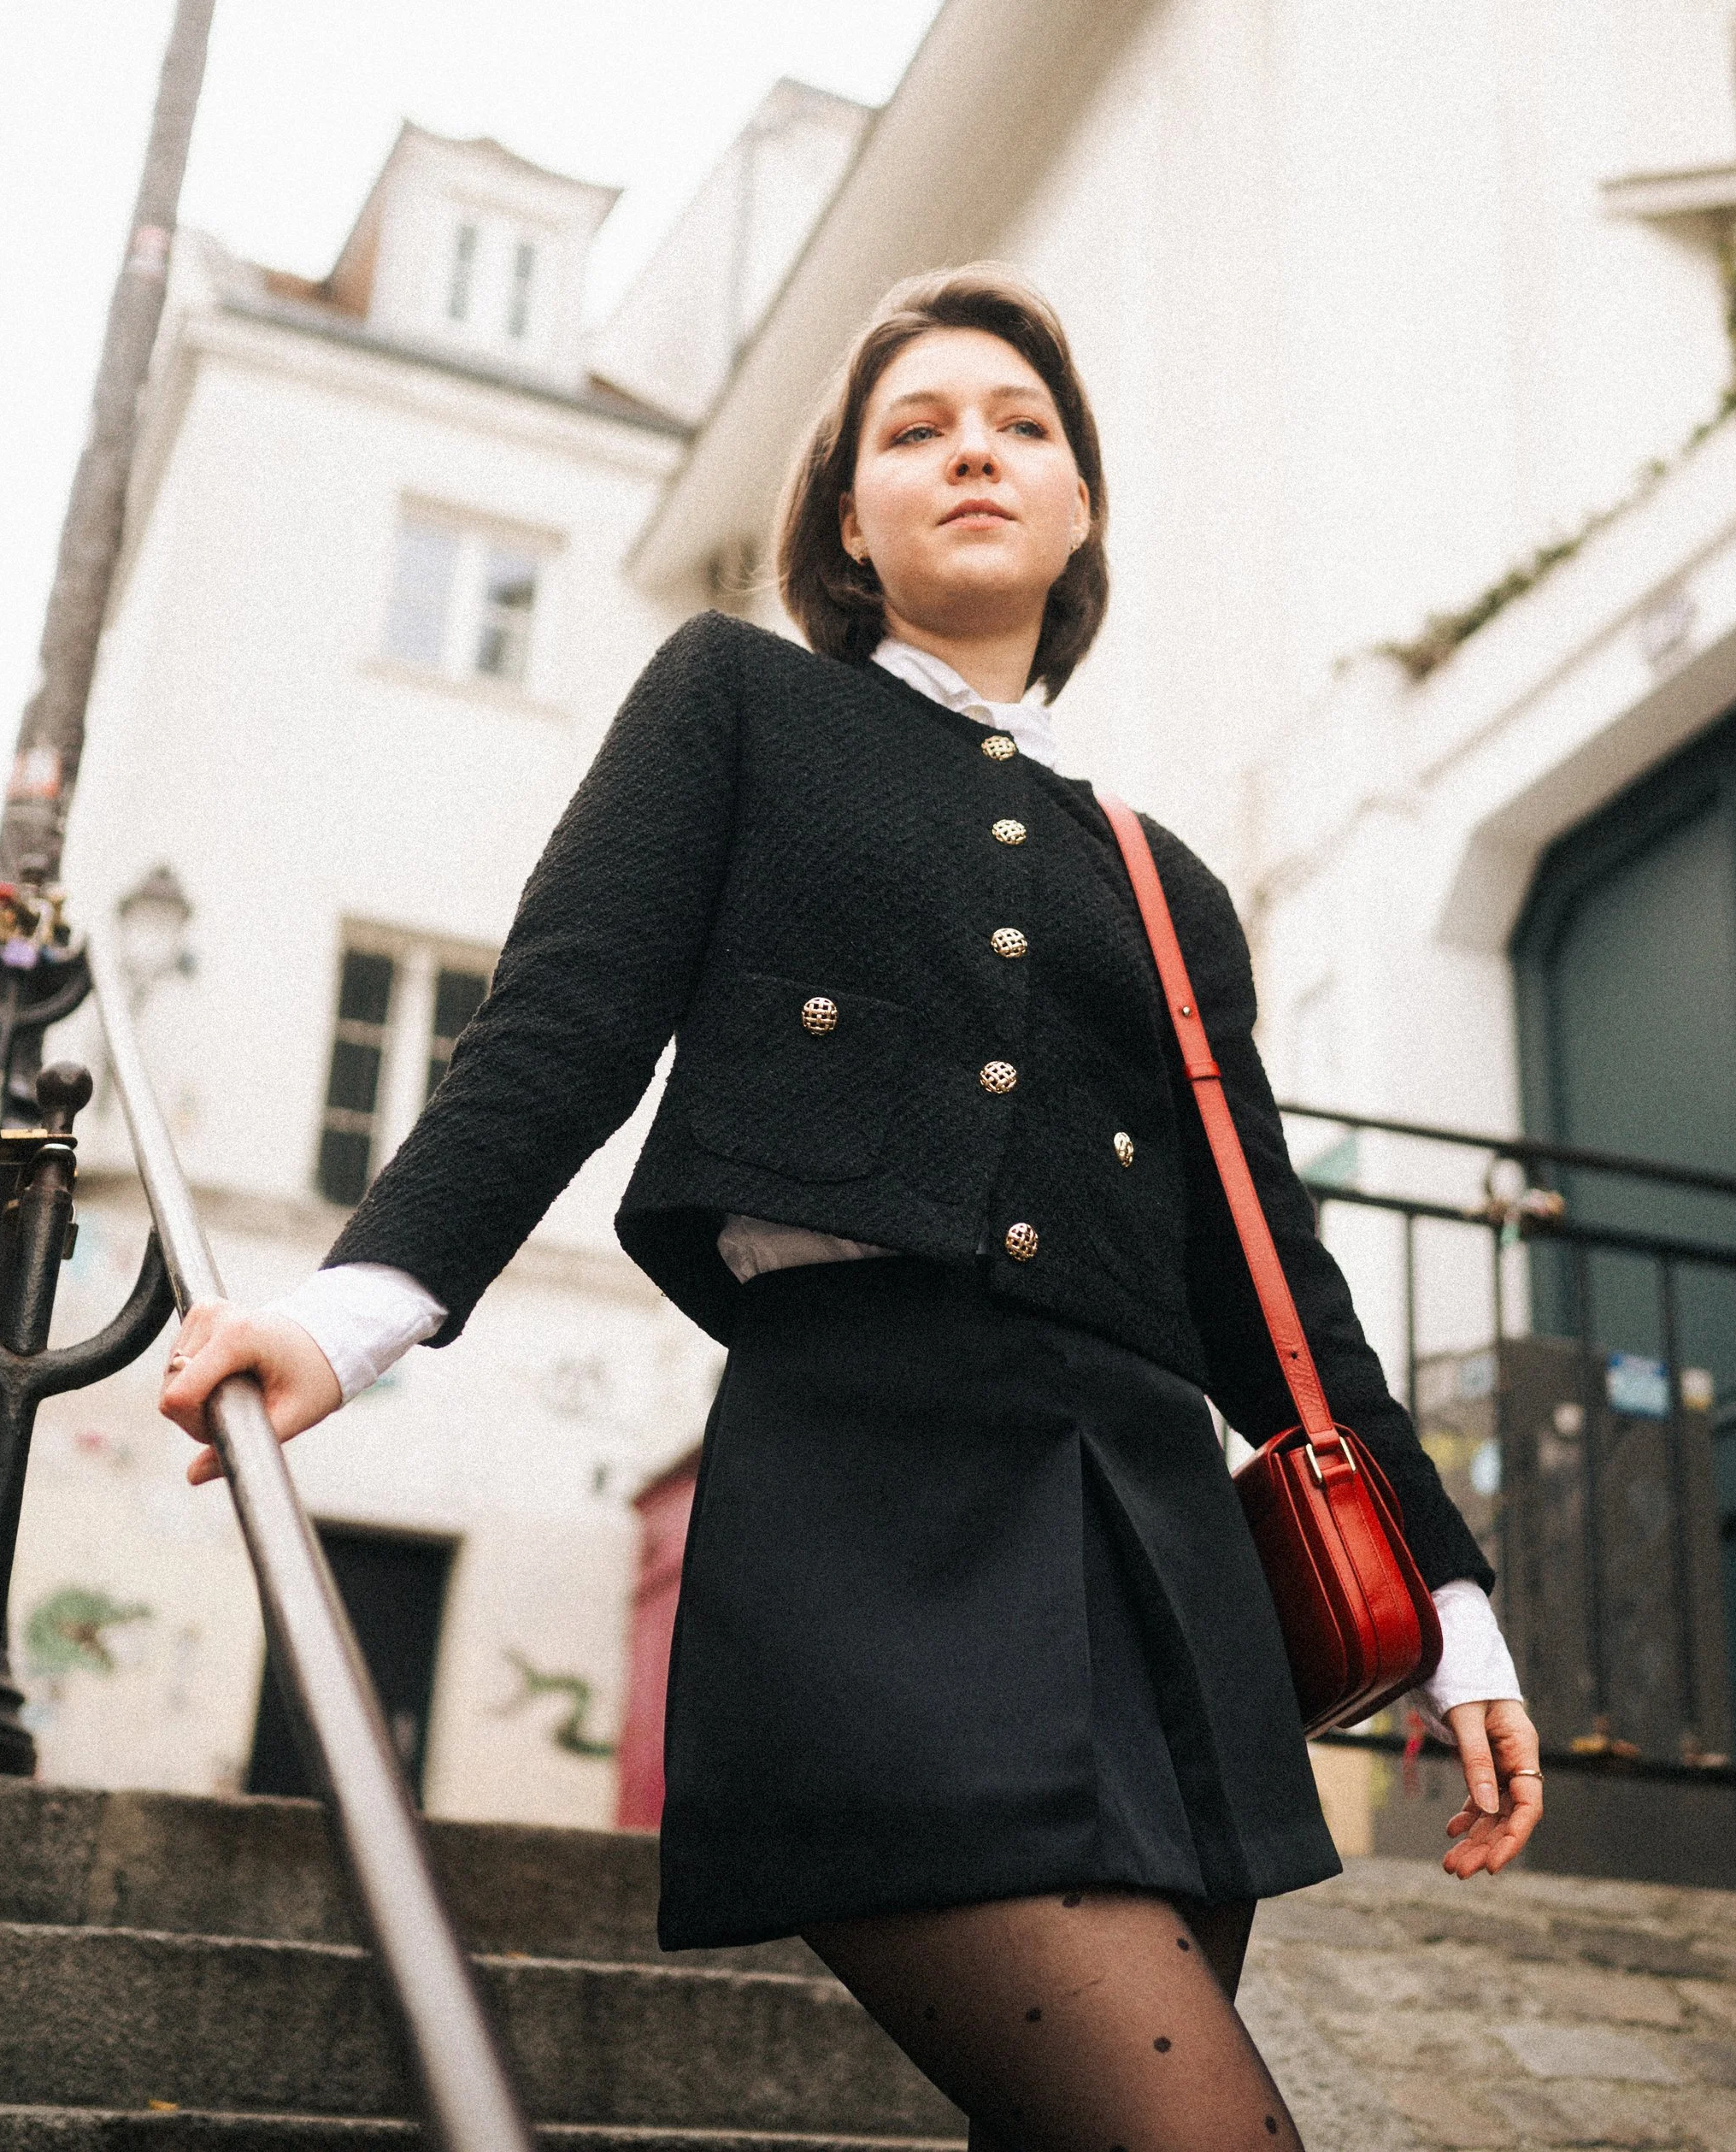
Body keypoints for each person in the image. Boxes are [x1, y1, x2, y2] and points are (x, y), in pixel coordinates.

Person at [162, 268, 1541, 2152]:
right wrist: (353, 1309)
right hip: (872, 1513)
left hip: (1155, 1561)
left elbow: (1269, 1267)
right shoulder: (735, 701)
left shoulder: (1163, 879)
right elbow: (560, 1022)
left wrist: (1448, 1594)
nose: (970, 445)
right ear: (842, 514)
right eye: (914, 426)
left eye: (1018, 424)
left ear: (1079, 512)